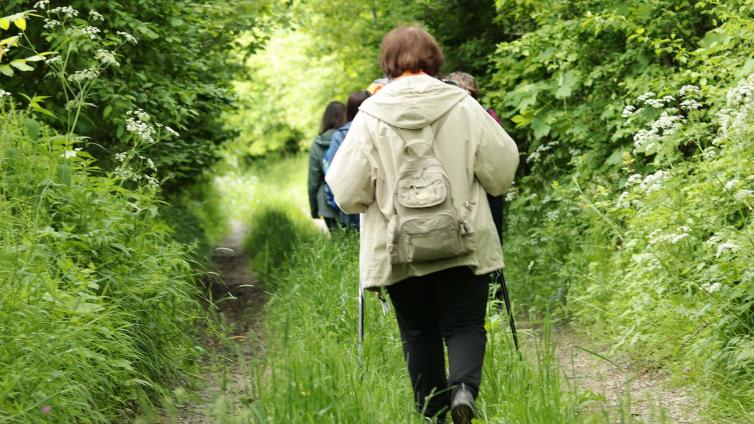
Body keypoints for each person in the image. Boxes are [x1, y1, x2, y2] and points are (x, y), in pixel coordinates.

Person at [326, 26, 519, 424]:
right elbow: (501, 172)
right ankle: (464, 389)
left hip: (400, 247)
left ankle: (431, 413)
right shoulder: (463, 106)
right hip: (464, 239)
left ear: (388, 63)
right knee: (465, 323)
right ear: (435, 60)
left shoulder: (369, 116)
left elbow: (346, 193)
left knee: (418, 334)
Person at [322, 90, 372, 230]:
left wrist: (334, 202)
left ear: (349, 110)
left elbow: (334, 172)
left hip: (352, 202)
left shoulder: (341, 134)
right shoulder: (381, 128)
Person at [308, 101, 346, 230]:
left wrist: (314, 209)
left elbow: (313, 181)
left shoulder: (317, 143)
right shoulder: (350, 137)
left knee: (336, 239)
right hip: (349, 195)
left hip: (325, 201)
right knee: (354, 237)